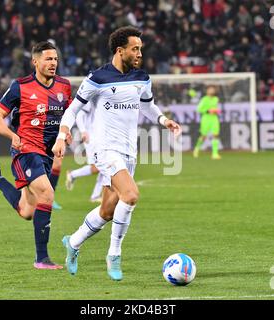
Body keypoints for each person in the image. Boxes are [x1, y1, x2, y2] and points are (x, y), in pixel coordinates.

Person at [52, 26, 181, 281]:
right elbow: (72, 110)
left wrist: (164, 120)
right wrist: (61, 134)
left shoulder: (142, 78)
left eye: (140, 49)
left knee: (107, 211)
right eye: (135, 49)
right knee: (131, 195)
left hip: (128, 151)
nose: (139, 53)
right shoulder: (98, 78)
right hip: (104, 148)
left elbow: (148, 106)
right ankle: (114, 254)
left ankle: (74, 242)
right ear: (120, 50)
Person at [0, 41, 72, 269]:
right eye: (48, 59)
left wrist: (67, 134)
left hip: (46, 154)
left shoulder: (64, 86)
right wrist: (11, 135)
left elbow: (69, 115)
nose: (53, 63)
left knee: (27, 211)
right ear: (35, 61)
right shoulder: (20, 86)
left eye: (55, 59)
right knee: (47, 193)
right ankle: (41, 259)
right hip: (25, 150)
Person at [65, 96, 104, 203]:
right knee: (97, 168)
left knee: (104, 166)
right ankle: (73, 174)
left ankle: (95, 196)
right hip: (92, 138)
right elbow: (80, 114)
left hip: (100, 138)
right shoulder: (91, 97)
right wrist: (83, 131)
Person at [193, 85, 221, 159]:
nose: (212, 91)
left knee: (215, 135)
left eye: (213, 89)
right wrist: (208, 111)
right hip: (206, 118)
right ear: (207, 91)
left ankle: (215, 154)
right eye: (210, 89)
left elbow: (218, 108)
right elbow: (198, 109)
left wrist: (217, 110)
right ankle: (196, 149)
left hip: (214, 118)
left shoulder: (216, 99)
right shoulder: (204, 99)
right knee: (203, 136)